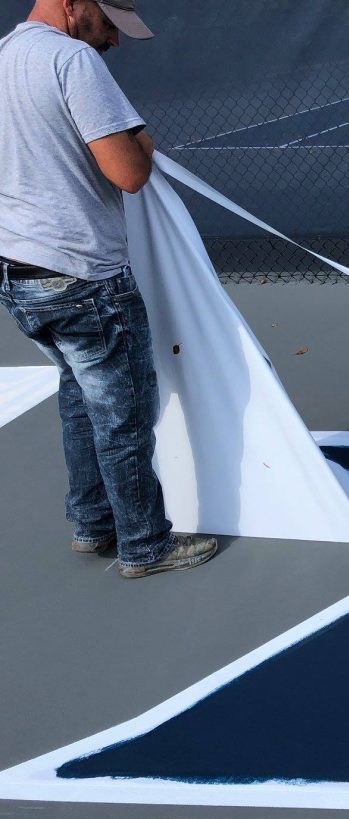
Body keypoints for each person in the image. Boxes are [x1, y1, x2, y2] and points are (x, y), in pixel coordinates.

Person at [0, 0, 217, 578]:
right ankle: (144, 545)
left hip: (19, 274)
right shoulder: (72, 60)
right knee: (122, 415)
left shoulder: (4, 56)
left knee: (79, 397)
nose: (114, 42)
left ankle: (92, 523)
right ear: (74, 4)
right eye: (110, 25)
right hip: (82, 274)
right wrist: (138, 137)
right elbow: (129, 172)